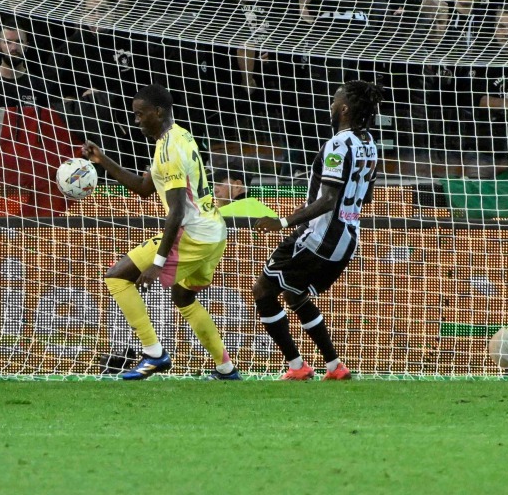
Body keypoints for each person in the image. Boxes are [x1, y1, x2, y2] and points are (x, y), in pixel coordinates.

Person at [81, 84, 240, 380]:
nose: (136, 120)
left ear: (159, 111)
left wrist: (157, 264)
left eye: (140, 114)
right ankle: (226, 369)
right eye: (134, 115)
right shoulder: (177, 136)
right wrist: (102, 160)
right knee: (183, 296)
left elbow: (177, 211)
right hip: (214, 232)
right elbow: (143, 189)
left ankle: (154, 354)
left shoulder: (170, 151)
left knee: (117, 277)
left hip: (194, 233)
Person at [251, 80, 384, 381]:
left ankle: (297, 366)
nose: (332, 105)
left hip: (319, 238)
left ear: (345, 108)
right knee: (294, 294)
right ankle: (334, 366)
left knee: (263, 291)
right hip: (347, 238)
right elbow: (367, 195)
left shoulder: (339, 143)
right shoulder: (369, 143)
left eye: (335, 101)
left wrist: (284, 222)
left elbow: (328, 199)